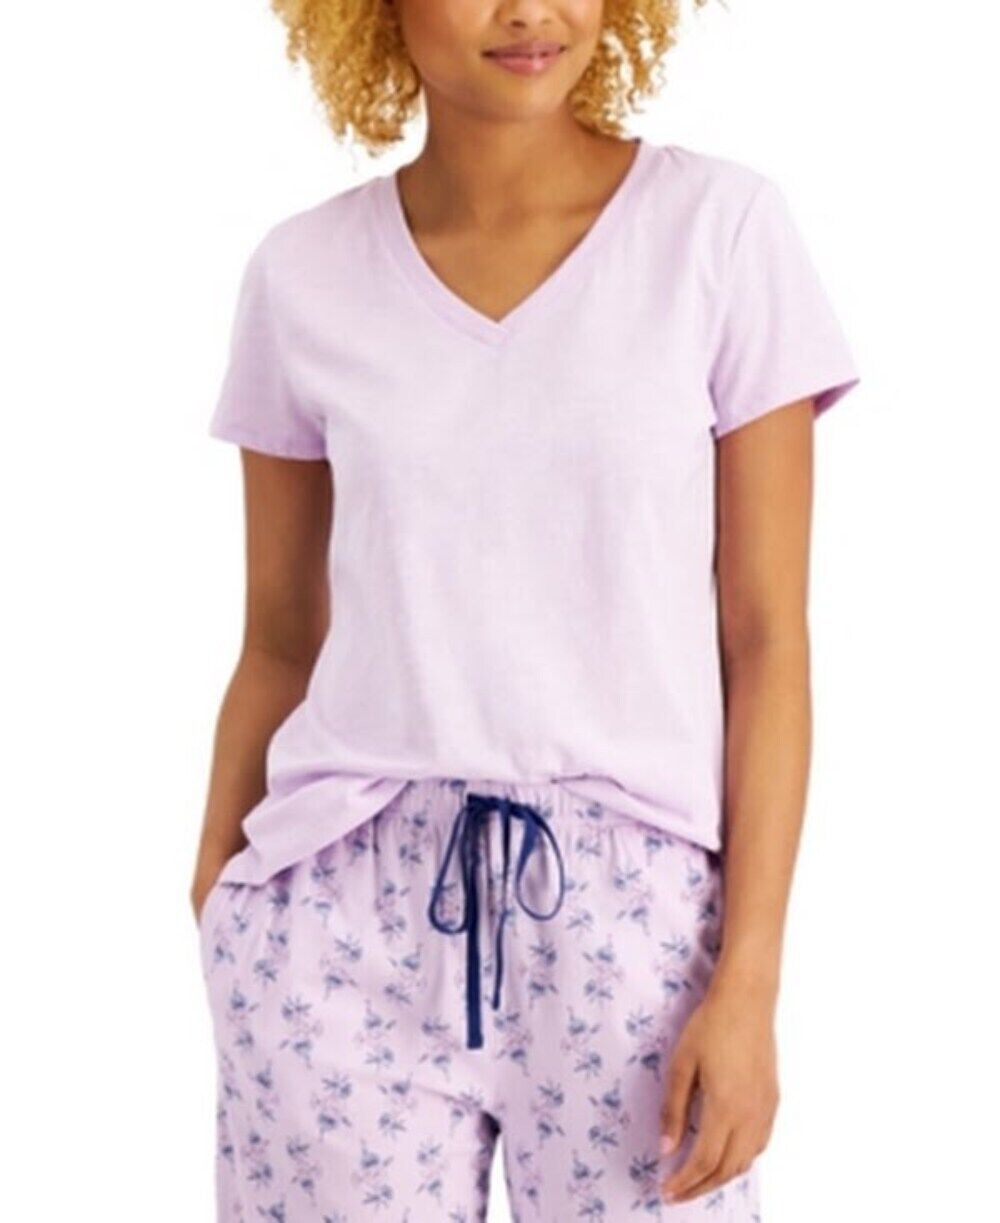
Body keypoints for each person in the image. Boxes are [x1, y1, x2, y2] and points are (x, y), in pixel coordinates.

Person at [191, 1, 861, 1218]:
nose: (529, 9)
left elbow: (767, 641)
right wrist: (218, 901)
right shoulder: (301, 273)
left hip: (633, 911)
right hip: (336, 907)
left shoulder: (718, 231)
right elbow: (280, 637)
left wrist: (750, 974)